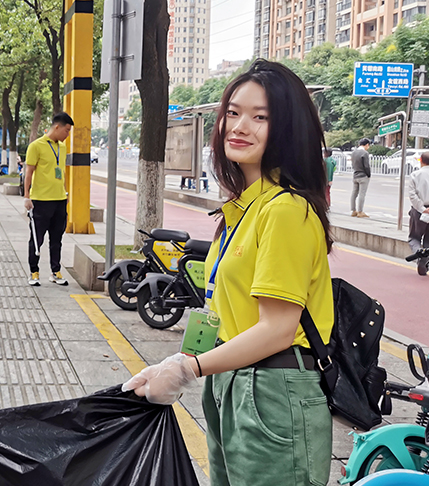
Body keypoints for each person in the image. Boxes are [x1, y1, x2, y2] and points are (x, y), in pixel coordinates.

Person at [123, 60, 334, 486]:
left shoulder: (286, 211)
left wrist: (188, 369)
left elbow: (276, 328)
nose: (239, 126)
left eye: (260, 117)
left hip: (272, 390)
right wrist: (182, 361)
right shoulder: (243, 209)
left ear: (289, 129)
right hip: (231, 384)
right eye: (233, 113)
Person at [23, 112, 74, 287]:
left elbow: (62, 172)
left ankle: (55, 271)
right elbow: (28, 172)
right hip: (41, 201)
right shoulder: (36, 146)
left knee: (57, 238)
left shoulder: (62, 147)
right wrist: (27, 197)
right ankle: (34, 272)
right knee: (37, 239)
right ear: (57, 127)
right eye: (67, 131)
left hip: (59, 200)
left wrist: (66, 194)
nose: (68, 135)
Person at [407, 152, 429, 275]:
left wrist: (421, 208)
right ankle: (424, 261)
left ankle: (419, 254)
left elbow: (412, 194)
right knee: (428, 239)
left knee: (414, 237)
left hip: (419, 210)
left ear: (421, 161)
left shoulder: (415, 174)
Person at [350, 138, 371, 218]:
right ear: (366, 145)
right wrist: (368, 175)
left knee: (354, 193)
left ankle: (353, 210)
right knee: (362, 194)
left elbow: (353, 164)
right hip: (363, 176)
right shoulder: (365, 153)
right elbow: (366, 166)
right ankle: (360, 211)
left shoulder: (354, 153)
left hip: (355, 175)